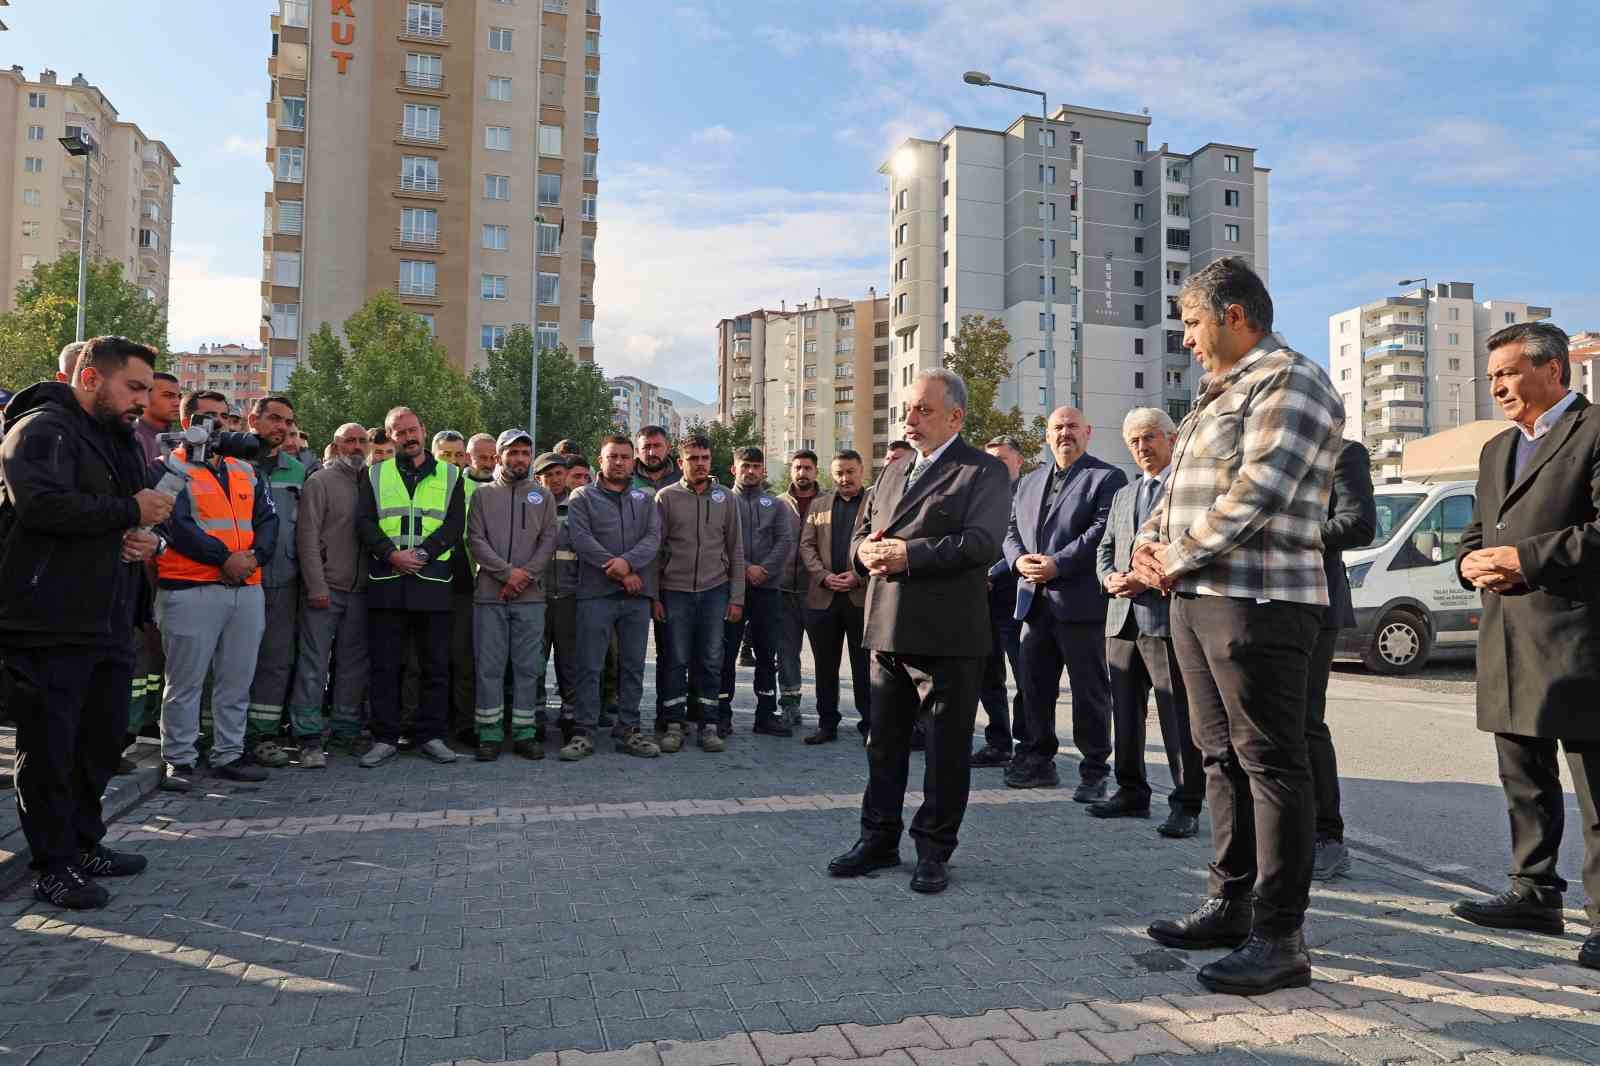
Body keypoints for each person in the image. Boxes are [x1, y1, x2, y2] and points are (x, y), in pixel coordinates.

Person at [1135, 257, 1344, 996]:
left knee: (1270, 761)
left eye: (1191, 322)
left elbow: (1259, 489)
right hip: (1196, 595)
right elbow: (1174, 494)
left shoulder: (1290, 379)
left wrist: (1177, 553)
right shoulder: (1211, 394)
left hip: (1259, 599)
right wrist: (1148, 544)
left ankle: (1281, 936)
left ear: (1233, 315)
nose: (1186, 338)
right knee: (1217, 756)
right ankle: (1232, 901)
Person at [1449, 322, 1600, 972]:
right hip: (1506, 640)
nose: (1499, 387)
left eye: (1508, 372)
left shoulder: (1593, 433)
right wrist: (1468, 565)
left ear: (1553, 370)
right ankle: (1535, 892)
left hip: (1577, 640)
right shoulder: (1496, 449)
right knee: (1523, 779)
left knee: (1595, 791)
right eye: (1492, 378)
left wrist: (1527, 559)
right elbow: (1476, 532)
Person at [0, 335, 171, 909]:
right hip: (48, 619)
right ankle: (53, 865)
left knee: (98, 742)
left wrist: (141, 538)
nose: (142, 401)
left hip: (109, 615)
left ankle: (84, 843)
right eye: (135, 387)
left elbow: (122, 514)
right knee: (50, 749)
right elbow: (42, 507)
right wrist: (128, 513)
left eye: (148, 389)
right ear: (91, 378)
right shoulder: (40, 430)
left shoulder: (116, 437)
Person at [828, 369, 1010, 895]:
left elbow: (982, 543)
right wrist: (862, 553)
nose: (910, 419)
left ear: (955, 416)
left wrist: (911, 555)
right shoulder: (893, 471)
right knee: (882, 745)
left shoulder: (982, 471)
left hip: (948, 633)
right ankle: (878, 839)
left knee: (946, 751)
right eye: (907, 409)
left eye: (923, 410)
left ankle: (934, 849)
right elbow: (865, 531)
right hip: (886, 628)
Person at [152, 389, 279, 790]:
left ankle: (229, 753)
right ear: (188, 423)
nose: (220, 424)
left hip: (246, 588)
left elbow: (269, 521)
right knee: (185, 682)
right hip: (191, 588)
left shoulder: (246, 470)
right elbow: (176, 526)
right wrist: (224, 558)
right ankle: (180, 759)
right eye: (209, 416)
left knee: (235, 679)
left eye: (226, 416)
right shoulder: (167, 467)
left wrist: (253, 558)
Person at [1092, 409, 1204, 837]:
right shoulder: (1125, 493)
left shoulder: (1184, 488)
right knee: (1125, 713)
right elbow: (1106, 548)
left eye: (1150, 437)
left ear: (1172, 439)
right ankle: (1131, 792)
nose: (1142, 447)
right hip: (1120, 620)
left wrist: (1141, 578)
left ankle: (1186, 802)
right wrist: (1109, 577)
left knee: (1177, 716)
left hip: (1164, 617)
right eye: (1134, 441)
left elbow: (1187, 546)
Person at [1003, 406, 1126, 794]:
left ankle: (1094, 772)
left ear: (1087, 432)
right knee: (1034, 688)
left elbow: (1101, 531)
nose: (1064, 433)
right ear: (1047, 435)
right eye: (1057, 427)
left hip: (1081, 606)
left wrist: (1058, 564)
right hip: (1034, 605)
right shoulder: (1029, 481)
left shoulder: (1106, 477)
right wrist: (1018, 559)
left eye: (1072, 426)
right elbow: (1010, 530)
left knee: (1089, 692)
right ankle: (1038, 761)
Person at [355, 406, 466, 768]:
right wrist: (392, 555)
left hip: (432, 583)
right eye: (399, 432)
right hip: (387, 581)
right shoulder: (373, 474)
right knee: (386, 667)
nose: (408, 437)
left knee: (435, 666)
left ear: (423, 428)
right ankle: (385, 738)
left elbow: (453, 526)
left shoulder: (452, 475)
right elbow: (366, 523)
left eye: (412, 429)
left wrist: (421, 553)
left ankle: (431, 736)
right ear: (390, 436)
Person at [567, 435, 662, 759]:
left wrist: (629, 563)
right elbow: (581, 539)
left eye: (624, 456)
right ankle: (584, 732)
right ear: (601, 459)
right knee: (590, 666)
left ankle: (629, 730)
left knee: (633, 666)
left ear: (633, 461)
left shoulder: (645, 498)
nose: (619, 462)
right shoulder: (582, 496)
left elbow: (653, 538)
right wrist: (622, 569)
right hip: (595, 595)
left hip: (635, 598)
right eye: (613, 456)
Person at [467, 430, 558, 761]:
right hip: (490, 596)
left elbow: (549, 540)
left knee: (527, 668)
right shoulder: (482, 496)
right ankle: (489, 733)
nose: (520, 458)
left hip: (531, 597)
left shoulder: (543, 496)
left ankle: (524, 732)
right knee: (489, 667)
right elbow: (475, 540)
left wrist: (525, 576)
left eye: (525, 452)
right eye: (513, 452)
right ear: (498, 457)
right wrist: (507, 574)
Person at [1307, 439, 1376, 879]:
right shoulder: (1267, 454)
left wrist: (1289, 536)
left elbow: (1357, 524)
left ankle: (1327, 837)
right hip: (1261, 604)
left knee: (1305, 722)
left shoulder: (1342, 453)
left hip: (1316, 604)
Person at [653, 435, 745, 752]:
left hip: (715, 589)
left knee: (711, 659)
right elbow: (656, 551)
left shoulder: (726, 499)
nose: (700, 463)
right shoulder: (666, 498)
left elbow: (736, 549)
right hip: (674, 590)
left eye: (705, 457)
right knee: (675, 659)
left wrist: (737, 597)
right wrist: (655, 596)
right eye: (693, 458)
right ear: (681, 462)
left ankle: (708, 724)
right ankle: (674, 724)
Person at [286, 422, 371, 765]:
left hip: (362, 591)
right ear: (335, 446)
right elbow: (306, 538)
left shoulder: (373, 482)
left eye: (361, 441)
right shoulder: (320, 482)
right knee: (313, 663)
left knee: (353, 666)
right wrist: (316, 585)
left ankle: (345, 731)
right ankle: (307, 735)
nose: (356, 447)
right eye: (348, 441)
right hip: (326, 589)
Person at [244, 395, 307, 768]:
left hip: (283, 580)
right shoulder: (232, 463)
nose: (281, 427)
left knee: (275, 660)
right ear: (254, 419)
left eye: (288, 421)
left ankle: (262, 736)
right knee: (229, 663)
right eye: (274, 419)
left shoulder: (297, 472)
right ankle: (217, 735)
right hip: (234, 579)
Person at [125, 371, 182, 767]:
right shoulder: (134, 439)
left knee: (156, 657)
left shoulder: (178, 446)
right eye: (165, 394)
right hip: (132, 564)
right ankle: (125, 730)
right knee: (135, 654)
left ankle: (144, 722)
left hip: (164, 563)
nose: (174, 402)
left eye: (179, 395)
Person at [798, 449, 870, 744]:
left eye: (850, 472)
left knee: (864, 667)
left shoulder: (875, 503)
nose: (845, 478)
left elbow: (882, 543)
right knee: (825, 667)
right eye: (839, 473)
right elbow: (806, 546)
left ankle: (870, 725)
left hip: (861, 597)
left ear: (861, 471)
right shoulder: (819, 505)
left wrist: (858, 574)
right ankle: (827, 724)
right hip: (823, 597)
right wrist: (823, 576)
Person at [720, 446, 788, 737]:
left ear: (763, 471)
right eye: (744, 466)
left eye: (756, 466)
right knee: (725, 653)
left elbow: (785, 542)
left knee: (766, 654)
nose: (750, 471)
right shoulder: (721, 501)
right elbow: (719, 541)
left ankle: (766, 714)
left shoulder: (776, 505)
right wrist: (745, 568)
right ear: (734, 469)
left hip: (767, 589)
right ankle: (721, 714)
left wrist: (763, 570)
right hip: (731, 590)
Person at [973, 435, 1028, 768]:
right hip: (980, 601)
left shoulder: (1028, 494)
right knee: (988, 675)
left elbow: (1022, 542)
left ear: (1018, 462)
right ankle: (998, 742)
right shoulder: (978, 497)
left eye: (1002, 460)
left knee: (1025, 675)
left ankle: (1026, 745)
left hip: (1016, 597)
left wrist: (990, 573)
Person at [632, 425, 682, 730]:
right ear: (638, 450)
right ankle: (624, 715)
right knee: (629, 655)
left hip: (673, 579)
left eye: (657, 446)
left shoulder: (682, 479)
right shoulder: (626, 480)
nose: (652, 452)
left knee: (672, 652)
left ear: (668, 447)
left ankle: (670, 715)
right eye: (646, 446)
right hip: (631, 578)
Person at [447, 432, 494, 745]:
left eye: (493, 458)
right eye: (483, 458)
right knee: (461, 656)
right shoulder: (458, 489)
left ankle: (481, 720)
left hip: (495, 583)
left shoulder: (505, 489)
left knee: (487, 660)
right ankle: (460, 722)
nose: (489, 463)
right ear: (468, 458)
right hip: (460, 580)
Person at [534, 453, 580, 736]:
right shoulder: (530, 504)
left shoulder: (578, 506)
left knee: (569, 658)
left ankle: (570, 711)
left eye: (558, 473)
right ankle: (536, 710)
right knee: (535, 658)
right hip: (536, 596)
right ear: (538, 478)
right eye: (547, 475)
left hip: (569, 594)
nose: (553, 479)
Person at [776, 449, 821, 725]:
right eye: (797, 468)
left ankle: (828, 711)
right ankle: (790, 705)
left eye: (807, 468)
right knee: (787, 652)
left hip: (818, 591)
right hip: (783, 592)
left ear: (816, 471)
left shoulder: (829, 502)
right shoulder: (778, 503)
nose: (802, 473)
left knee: (824, 655)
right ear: (791, 471)